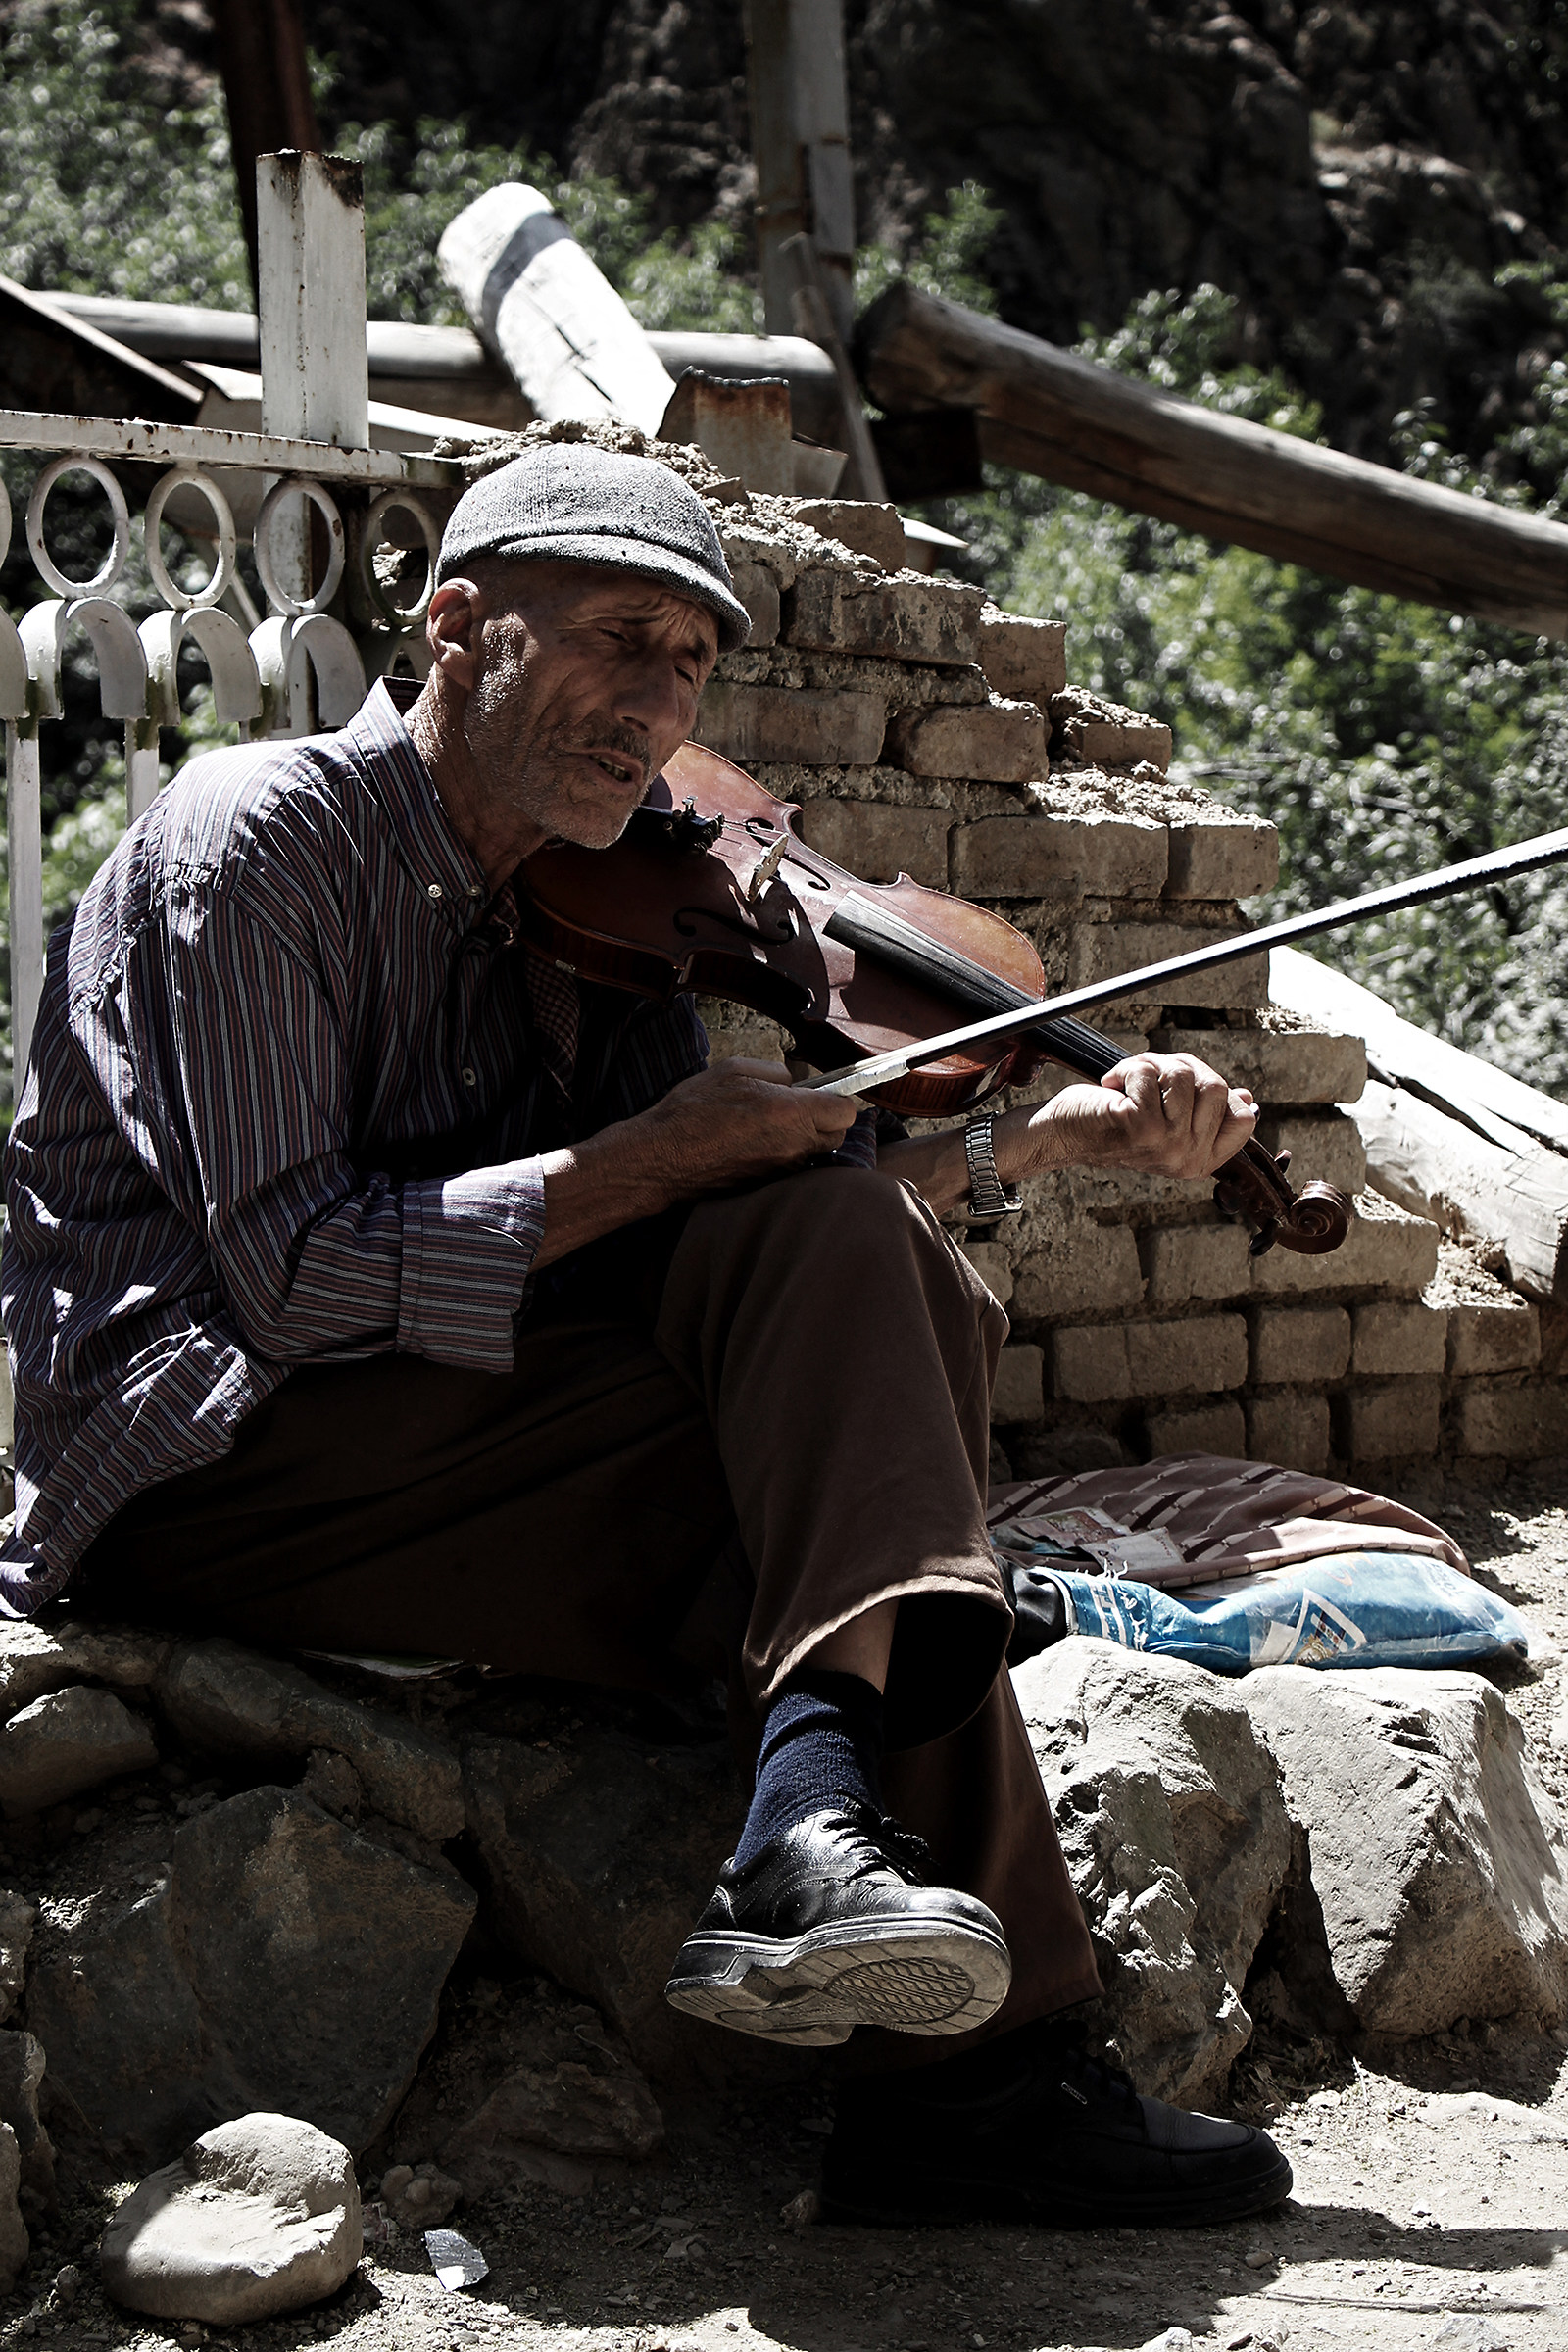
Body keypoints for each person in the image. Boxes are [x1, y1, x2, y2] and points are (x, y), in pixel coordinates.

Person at [2, 444, 1290, 2229]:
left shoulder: (589, 913)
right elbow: (292, 1284)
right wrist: (644, 1158)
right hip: (212, 1464)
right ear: (459, 626)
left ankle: (827, 1852)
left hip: (447, 1440)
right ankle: (952, 2052)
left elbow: (760, 1231)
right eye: (620, 641)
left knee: (860, 1319)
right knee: (865, 1432)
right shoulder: (261, 837)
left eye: (691, 666)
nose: (659, 709)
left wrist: (1038, 1140)